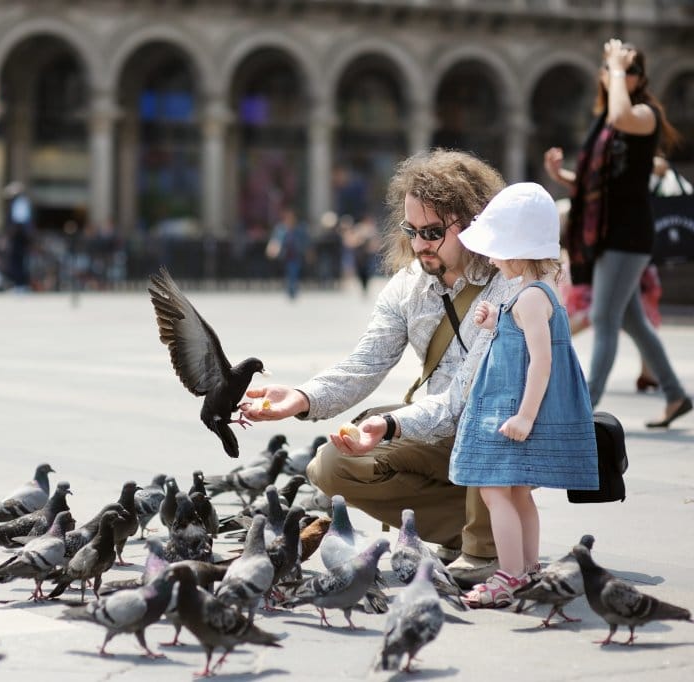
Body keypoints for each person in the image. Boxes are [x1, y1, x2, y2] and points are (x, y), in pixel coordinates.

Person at [241, 149, 512, 587]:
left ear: (475, 224)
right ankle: (465, 528)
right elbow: (366, 362)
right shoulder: (407, 287)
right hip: (439, 431)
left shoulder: (506, 281)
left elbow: (465, 396)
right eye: (411, 230)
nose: (419, 244)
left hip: (504, 432)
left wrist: (390, 424)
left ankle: (486, 545)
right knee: (331, 465)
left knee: (483, 418)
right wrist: (302, 397)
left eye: (433, 232)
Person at [448, 182, 598, 608]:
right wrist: (495, 322)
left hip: (512, 411)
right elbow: (520, 342)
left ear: (516, 251)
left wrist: (526, 415)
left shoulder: (531, 298)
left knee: (495, 492)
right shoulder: (535, 293)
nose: (491, 257)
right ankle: (529, 569)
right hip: (512, 407)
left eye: (496, 249)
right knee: (517, 493)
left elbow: (541, 360)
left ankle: (509, 575)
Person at [544, 39, 691, 428]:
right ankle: (676, 395)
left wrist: (616, 67)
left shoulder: (641, 115)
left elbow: (622, 114)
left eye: (629, 70)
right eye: (612, 69)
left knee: (603, 316)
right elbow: (602, 184)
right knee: (632, 321)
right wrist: (563, 176)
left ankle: (583, 407)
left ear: (639, 78)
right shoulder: (608, 124)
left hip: (628, 234)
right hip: (609, 234)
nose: (619, 76)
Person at [267, 207, 308, 299]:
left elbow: (305, 241)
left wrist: (308, 252)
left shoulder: (300, 228)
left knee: (293, 271)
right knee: (287, 272)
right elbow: (275, 240)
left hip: (296, 255)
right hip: (284, 255)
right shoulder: (280, 229)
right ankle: (290, 288)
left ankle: (292, 290)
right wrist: (272, 249)